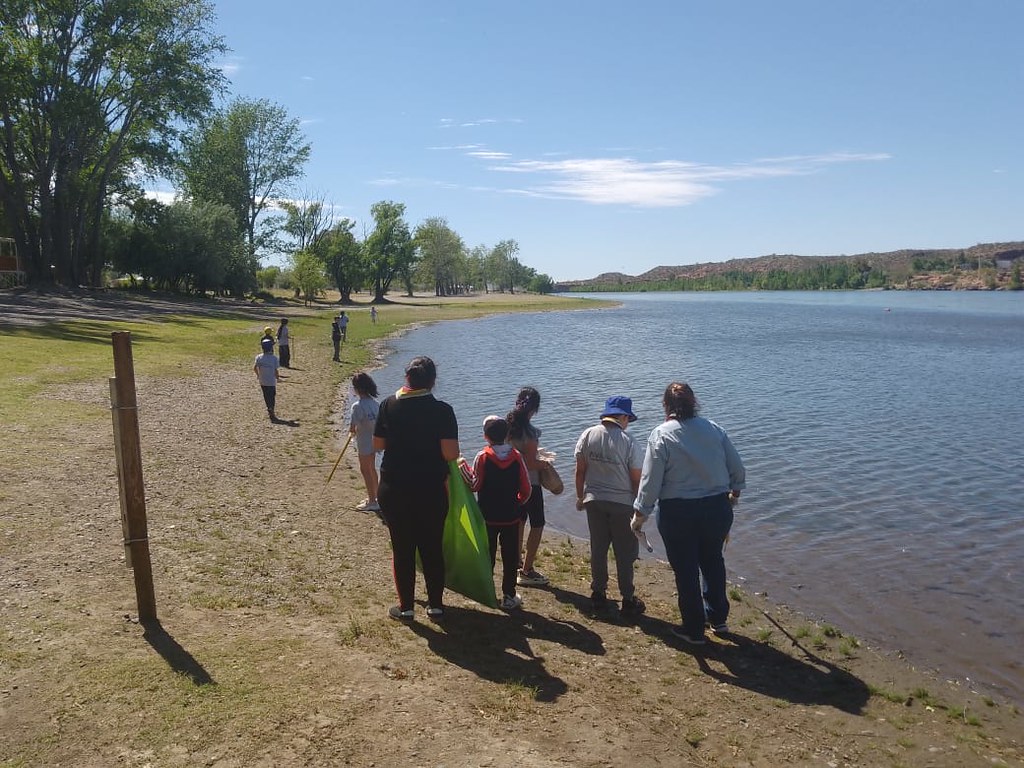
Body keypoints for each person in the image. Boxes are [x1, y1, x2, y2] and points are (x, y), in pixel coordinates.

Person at [632, 382, 746, 646]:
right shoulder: (714, 429)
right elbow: (737, 470)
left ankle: (694, 630)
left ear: (665, 406)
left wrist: (640, 514)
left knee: (685, 570)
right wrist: (734, 497)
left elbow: (650, 482)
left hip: (678, 512)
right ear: (694, 403)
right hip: (716, 508)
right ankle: (718, 618)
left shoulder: (660, 434)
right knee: (713, 561)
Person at [373, 356, 460, 621]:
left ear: (407, 378)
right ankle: (435, 606)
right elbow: (450, 453)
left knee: (402, 548)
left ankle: (406, 607)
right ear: (433, 381)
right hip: (431, 489)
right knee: (432, 546)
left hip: (394, 488)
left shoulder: (388, 404)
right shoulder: (443, 410)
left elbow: (378, 445)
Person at [574, 396, 646, 618]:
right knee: (625, 553)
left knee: (598, 548)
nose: (628, 423)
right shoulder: (629, 441)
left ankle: (598, 593)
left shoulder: (588, 434)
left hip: (594, 500)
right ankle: (627, 598)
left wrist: (579, 497)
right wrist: (639, 507)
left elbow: (580, 470)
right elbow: (636, 479)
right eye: (628, 419)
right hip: (622, 504)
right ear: (623, 417)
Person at [464, 416, 532, 611]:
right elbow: (526, 489)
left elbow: (475, 485)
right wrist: (517, 503)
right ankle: (509, 595)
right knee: (510, 557)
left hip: (487, 517)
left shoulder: (482, 457)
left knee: (488, 555)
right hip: (511, 517)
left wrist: (464, 470)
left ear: (486, 436)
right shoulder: (517, 456)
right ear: (508, 435)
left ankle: (487, 591)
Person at [506, 386, 548, 587]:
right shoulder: (530, 432)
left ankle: (515, 561)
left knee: (519, 521)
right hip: (530, 484)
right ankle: (527, 570)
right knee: (538, 524)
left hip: (510, 483)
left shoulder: (507, 426)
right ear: (534, 410)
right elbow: (530, 464)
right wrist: (546, 463)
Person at [349, 372, 380, 512]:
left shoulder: (357, 406)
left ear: (357, 388)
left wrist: (352, 432)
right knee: (372, 468)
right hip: (374, 441)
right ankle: (376, 496)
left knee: (365, 470)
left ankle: (372, 501)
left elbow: (352, 427)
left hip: (364, 443)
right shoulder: (375, 404)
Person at [253, 337, 281, 420]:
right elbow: (276, 370)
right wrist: (278, 378)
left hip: (262, 381)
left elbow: (254, 368)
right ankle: (271, 408)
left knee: (266, 395)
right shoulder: (274, 358)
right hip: (271, 381)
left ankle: (268, 407)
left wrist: (258, 375)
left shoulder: (258, 357)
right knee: (272, 395)